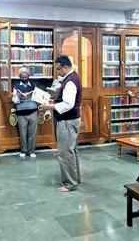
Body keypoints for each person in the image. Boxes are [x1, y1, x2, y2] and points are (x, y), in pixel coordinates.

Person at [43, 55, 82, 192]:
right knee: (71, 150)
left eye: (59, 69)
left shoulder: (70, 81)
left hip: (67, 120)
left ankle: (70, 183)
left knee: (65, 152)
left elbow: (68, 104)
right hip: (70, 119)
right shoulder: (72, 77)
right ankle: (76, 178)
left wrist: (50, 107)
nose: (58, 72)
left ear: (65, 67)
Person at [12, 67, 38, 158]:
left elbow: (38, 97)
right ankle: (23, 150)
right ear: (19, 76)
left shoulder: (34, 85)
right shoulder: (16, 86)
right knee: (23, 133)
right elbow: (14, 100)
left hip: (33, 111)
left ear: (28, 75)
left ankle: (31, 151)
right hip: (21, 112)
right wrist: (18, 97)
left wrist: (32, 96)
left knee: (32, 133)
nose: (24, 76)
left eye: (25, 74)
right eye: (22, 75)